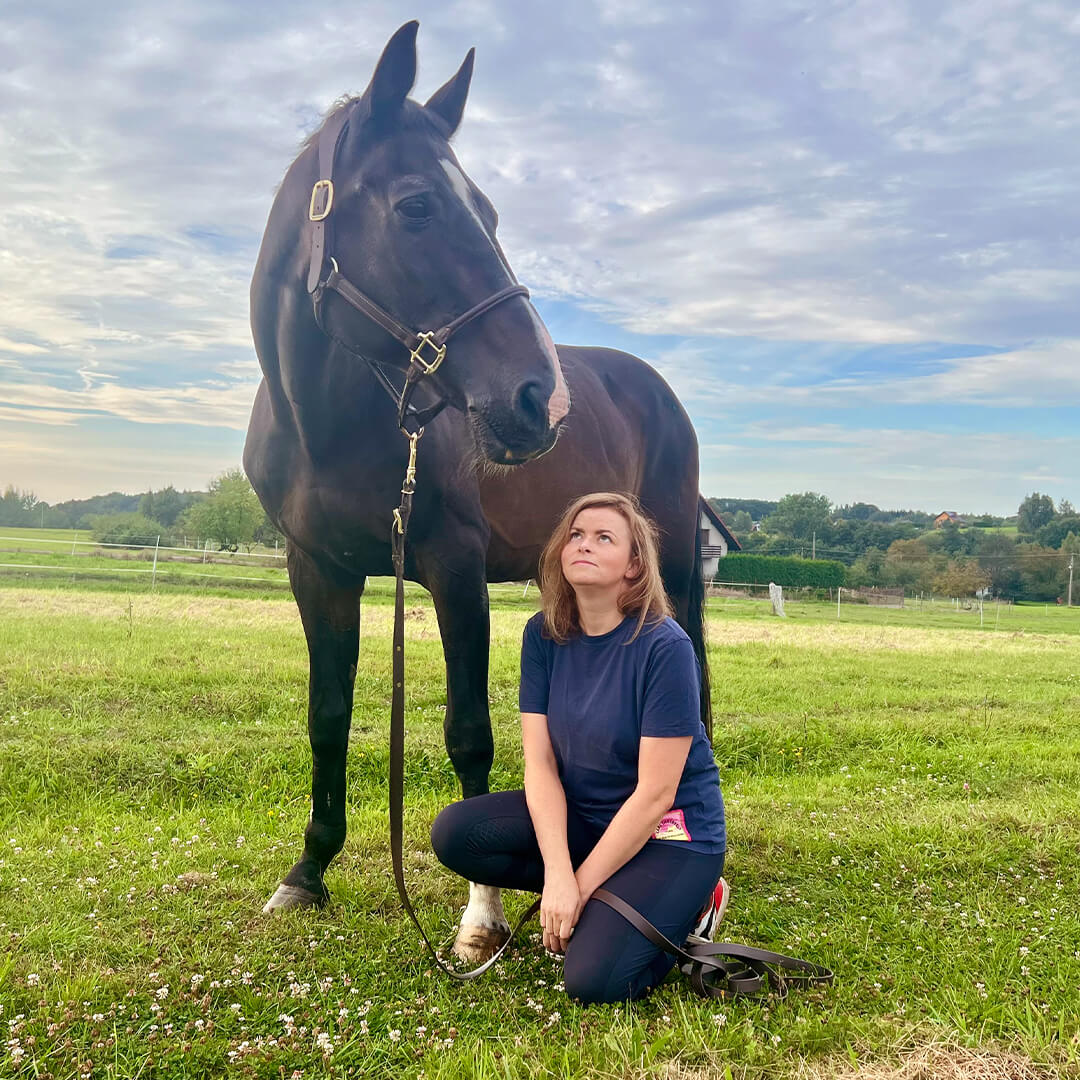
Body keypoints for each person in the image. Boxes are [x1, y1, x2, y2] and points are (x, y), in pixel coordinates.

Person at [431, 492, 727, 1003]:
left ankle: (696, 905)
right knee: (457, 834)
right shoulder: (543, 635)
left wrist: (580, 887)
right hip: (586, 821)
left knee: (593, 980)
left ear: (634, 565)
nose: (583, 544)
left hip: (671, 834)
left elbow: (655, 795)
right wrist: (558, 878)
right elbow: (540, 766)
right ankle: (616, 897)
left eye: (604, 537)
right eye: (575, 535)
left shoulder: (666, 647)